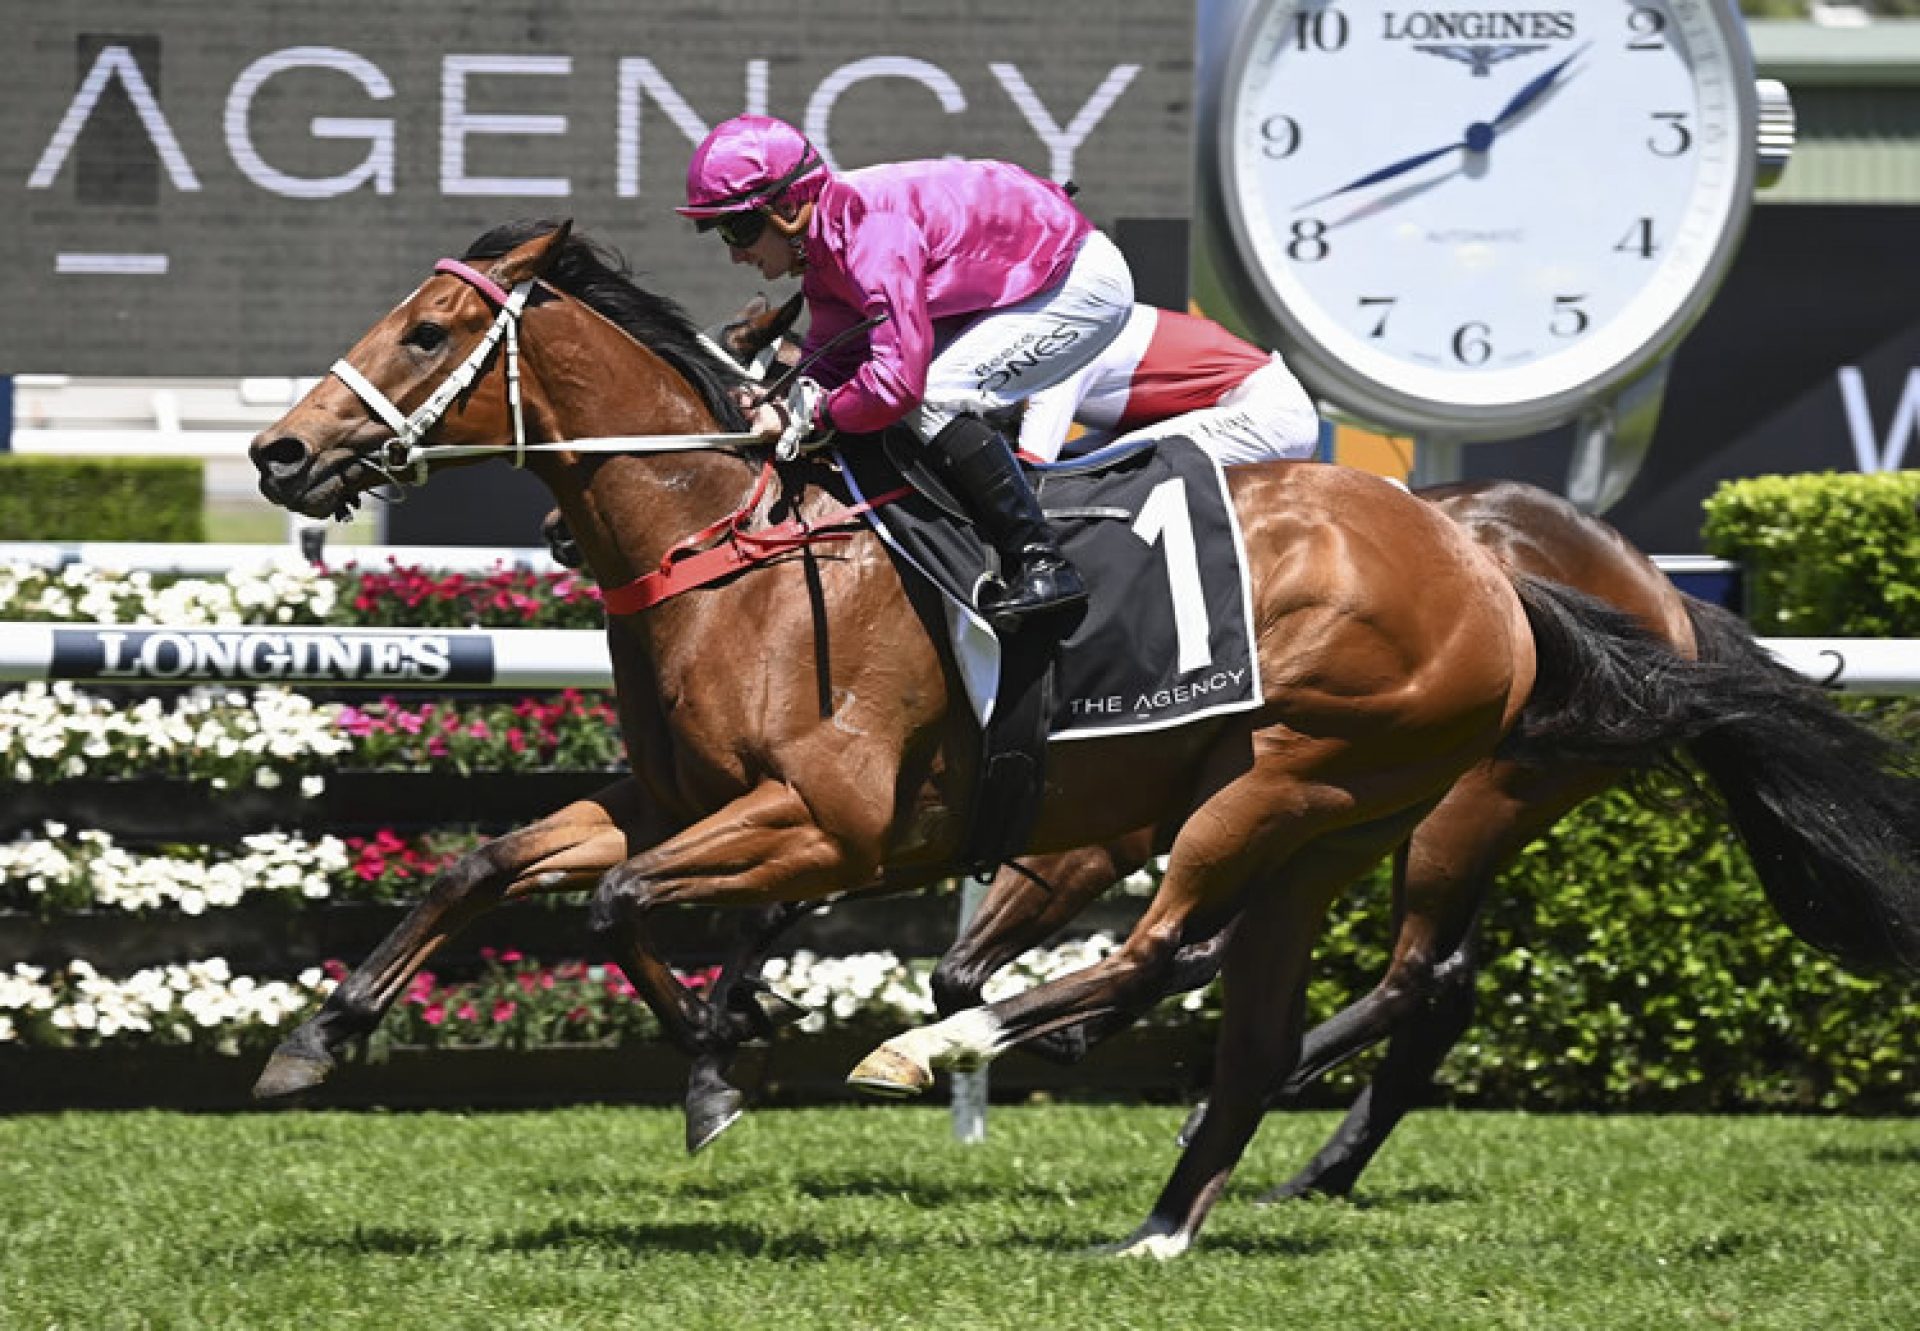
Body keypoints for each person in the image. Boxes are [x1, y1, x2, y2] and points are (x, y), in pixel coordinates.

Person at [677, 114, 1136, 629]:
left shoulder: (872, 235)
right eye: (722, 233)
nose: (736, 253)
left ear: (788, 208)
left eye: (739, 228)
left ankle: (1043, 562)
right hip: (1021, 278)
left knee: (933, 396)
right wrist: (777, 403)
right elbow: (831, 360)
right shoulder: (828, 253)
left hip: (1075, 283)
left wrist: (817, 414)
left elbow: (896, 384)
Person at [1016, 303, 1321, 466]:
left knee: (1114, 464)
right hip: (1241, 405)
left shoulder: (1062, 346)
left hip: (1272, 412)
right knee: (1083, 463)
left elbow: (1033, 462)